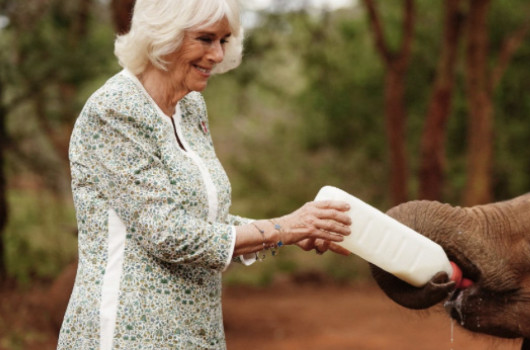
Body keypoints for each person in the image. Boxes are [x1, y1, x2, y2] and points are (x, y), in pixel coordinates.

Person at [56, 0, 353, 348]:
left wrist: (289, 232)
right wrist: (282, 227)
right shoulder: (115, 110)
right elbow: (168, 232)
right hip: (126, 330)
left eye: (224, 40)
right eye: (205, 39)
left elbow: (204, 220)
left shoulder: (190, 105)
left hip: (195, 332)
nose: (217, 54)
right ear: (163, 36)